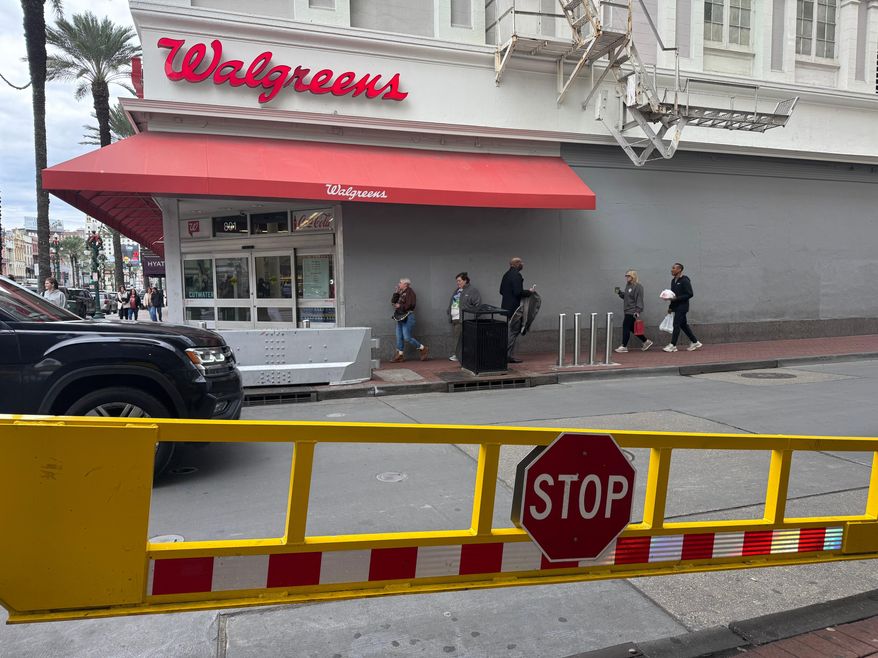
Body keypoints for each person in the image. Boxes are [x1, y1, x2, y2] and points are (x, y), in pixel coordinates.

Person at [663, 262, 702, 352]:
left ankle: (673, 345)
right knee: (683, 325)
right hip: (676, 306)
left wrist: (677, 298)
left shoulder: (685, 280)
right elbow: (673, 296)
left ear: (679, 269)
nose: (672, 270)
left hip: (683, 306)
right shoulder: (673, 281)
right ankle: (695, 342)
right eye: (672, 268)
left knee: (676, 324)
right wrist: (670, 307)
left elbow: (690, 294)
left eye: (674, 268)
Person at [499, 257, 532, 363]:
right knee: (513, 331)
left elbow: (501, 291)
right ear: (517, 264)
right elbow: (518, 292)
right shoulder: (517, 275)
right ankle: (507, 355)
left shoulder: (506, 274)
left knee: (510, 330)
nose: (523, 264)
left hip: (506, 307)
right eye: (521, 262)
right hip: (515, 308)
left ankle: (505, 354)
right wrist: (529, 292)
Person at [390, 278, 429, 362]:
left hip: (408, 317)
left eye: (400, 283)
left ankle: (423, 348)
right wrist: (396, 292)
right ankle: (400, 355)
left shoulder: (410, 293)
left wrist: (399, 306)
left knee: (407, 337)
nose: (399, 284)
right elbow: (393, 302)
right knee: (399, 337)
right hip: (400, 317)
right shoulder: (401, 292)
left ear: (406, 284)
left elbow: (411, 305)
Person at [614, 270, 653, 353]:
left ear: (633, 277)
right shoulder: (628, 286)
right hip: (627, 310)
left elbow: (639, 299)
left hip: (632, 311)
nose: (627, 277)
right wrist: (620, 293)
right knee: (633, 329)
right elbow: (627, 297)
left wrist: (638, 310)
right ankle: (646, 341)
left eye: (628, 276)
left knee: (625, 327)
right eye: (626, 276)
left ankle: (624, 346)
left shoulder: (638, 287)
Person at [446, 272, 482, 362]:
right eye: (457, 281)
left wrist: (473, 316)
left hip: (464, 319)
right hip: (455, 318)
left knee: (460, 338)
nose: (457, 283)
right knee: (457, 337)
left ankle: (458, 356)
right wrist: (449, 311)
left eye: (459, 281)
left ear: (465, 280)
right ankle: (459, 355)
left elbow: (478, 305)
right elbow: (453, 302)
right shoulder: (457, 290)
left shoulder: (472, 290)